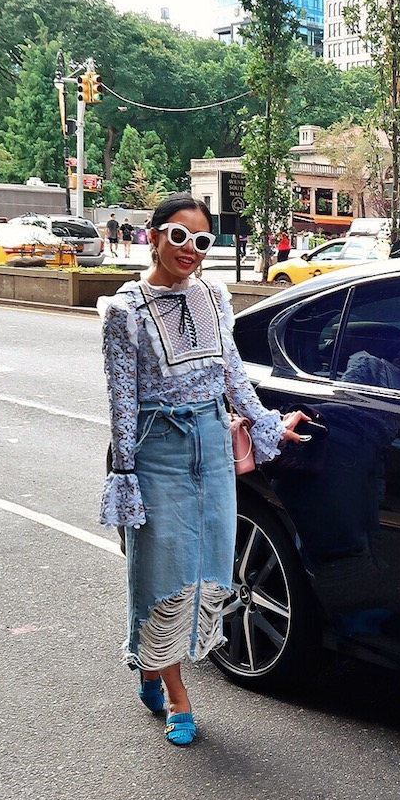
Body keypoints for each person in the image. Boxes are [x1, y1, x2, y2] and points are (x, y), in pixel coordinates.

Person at [98, 193, 308, 746]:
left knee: (211, 567)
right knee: (162, 573)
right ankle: (177, 693)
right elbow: (121, 399)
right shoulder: (124, 311)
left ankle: (151, 662)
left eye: (202, 241)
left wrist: (266, 424)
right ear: (153, 235)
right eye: (179, 236)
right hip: (157, 451)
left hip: (213, 446)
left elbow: (232, 376)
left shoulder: (215, 298)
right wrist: (125, 475)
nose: (190, 250)